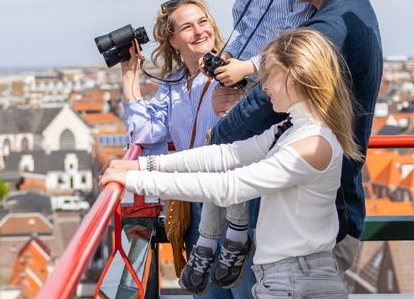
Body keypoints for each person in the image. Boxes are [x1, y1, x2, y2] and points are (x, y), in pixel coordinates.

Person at [103, 28, 361, 299]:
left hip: (296, 280)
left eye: (268, 75)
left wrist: (134, 182)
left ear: (292, 75)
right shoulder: (291, 127)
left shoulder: (312, 143)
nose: (263, 86)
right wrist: (144, 166)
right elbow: (228, 154)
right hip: (288, 276)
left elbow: (230, 186)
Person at [210, 0, 383, 275]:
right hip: (326, 210)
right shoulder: (352, 12)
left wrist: (220, 133)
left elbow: (258, 109)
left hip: (315, 222)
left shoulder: (326, 31)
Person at [183, 0, 314, 295]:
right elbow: (239, 42)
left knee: (224, 152)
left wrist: (246, 68)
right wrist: (224, 65)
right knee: (224, 150)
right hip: (246, 95)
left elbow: (294, 46)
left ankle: (217, 238)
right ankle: (223, 238)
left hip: (271, 99)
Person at [120, 0, 232, 296]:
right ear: (173, 40)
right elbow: (145, 131)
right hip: (196, 203)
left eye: (203, 22)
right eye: (187, 27)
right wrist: (129, 76)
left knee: (243, 289)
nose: (199, 32)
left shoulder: (232, 72)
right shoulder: (174, 83)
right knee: (208, 292)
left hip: (233, 199)